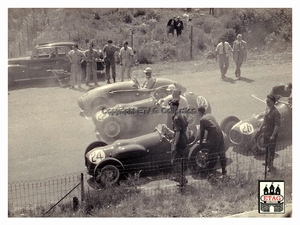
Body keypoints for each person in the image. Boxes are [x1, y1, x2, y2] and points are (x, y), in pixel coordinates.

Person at [198, 106, 227, 176]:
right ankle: (224, 171)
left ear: (199, 112)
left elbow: (202, 132)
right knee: (222, 153)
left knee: (211, 154)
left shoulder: (202, 120)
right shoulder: (210, 115)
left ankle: (210, 173)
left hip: (213, 136)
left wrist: (201, 142)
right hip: (220, 133)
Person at [169, 99, 188, 185]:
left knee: (175, 160)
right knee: (181, 159)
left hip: (179, 139)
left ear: (175, 107)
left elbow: (177, 132)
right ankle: (182, 178)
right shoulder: (182, 114)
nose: (170, 108)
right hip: (184, 138)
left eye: (171, 107)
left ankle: (181, 179)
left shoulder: (176, 117)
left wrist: (174, 144)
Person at [260, 94, 281, 173]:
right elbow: (265, 119)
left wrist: (273, 135)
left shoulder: (276, 112)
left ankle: (271, 166)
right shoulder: (267, 109)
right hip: (266, 133)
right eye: (266, 101)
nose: (267, 102)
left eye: (268, 101)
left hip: (271, 134)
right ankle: (267, 162)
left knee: (271, 150)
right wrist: (261, 127)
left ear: (273, 102)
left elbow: (277, 125)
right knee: (266, 148)